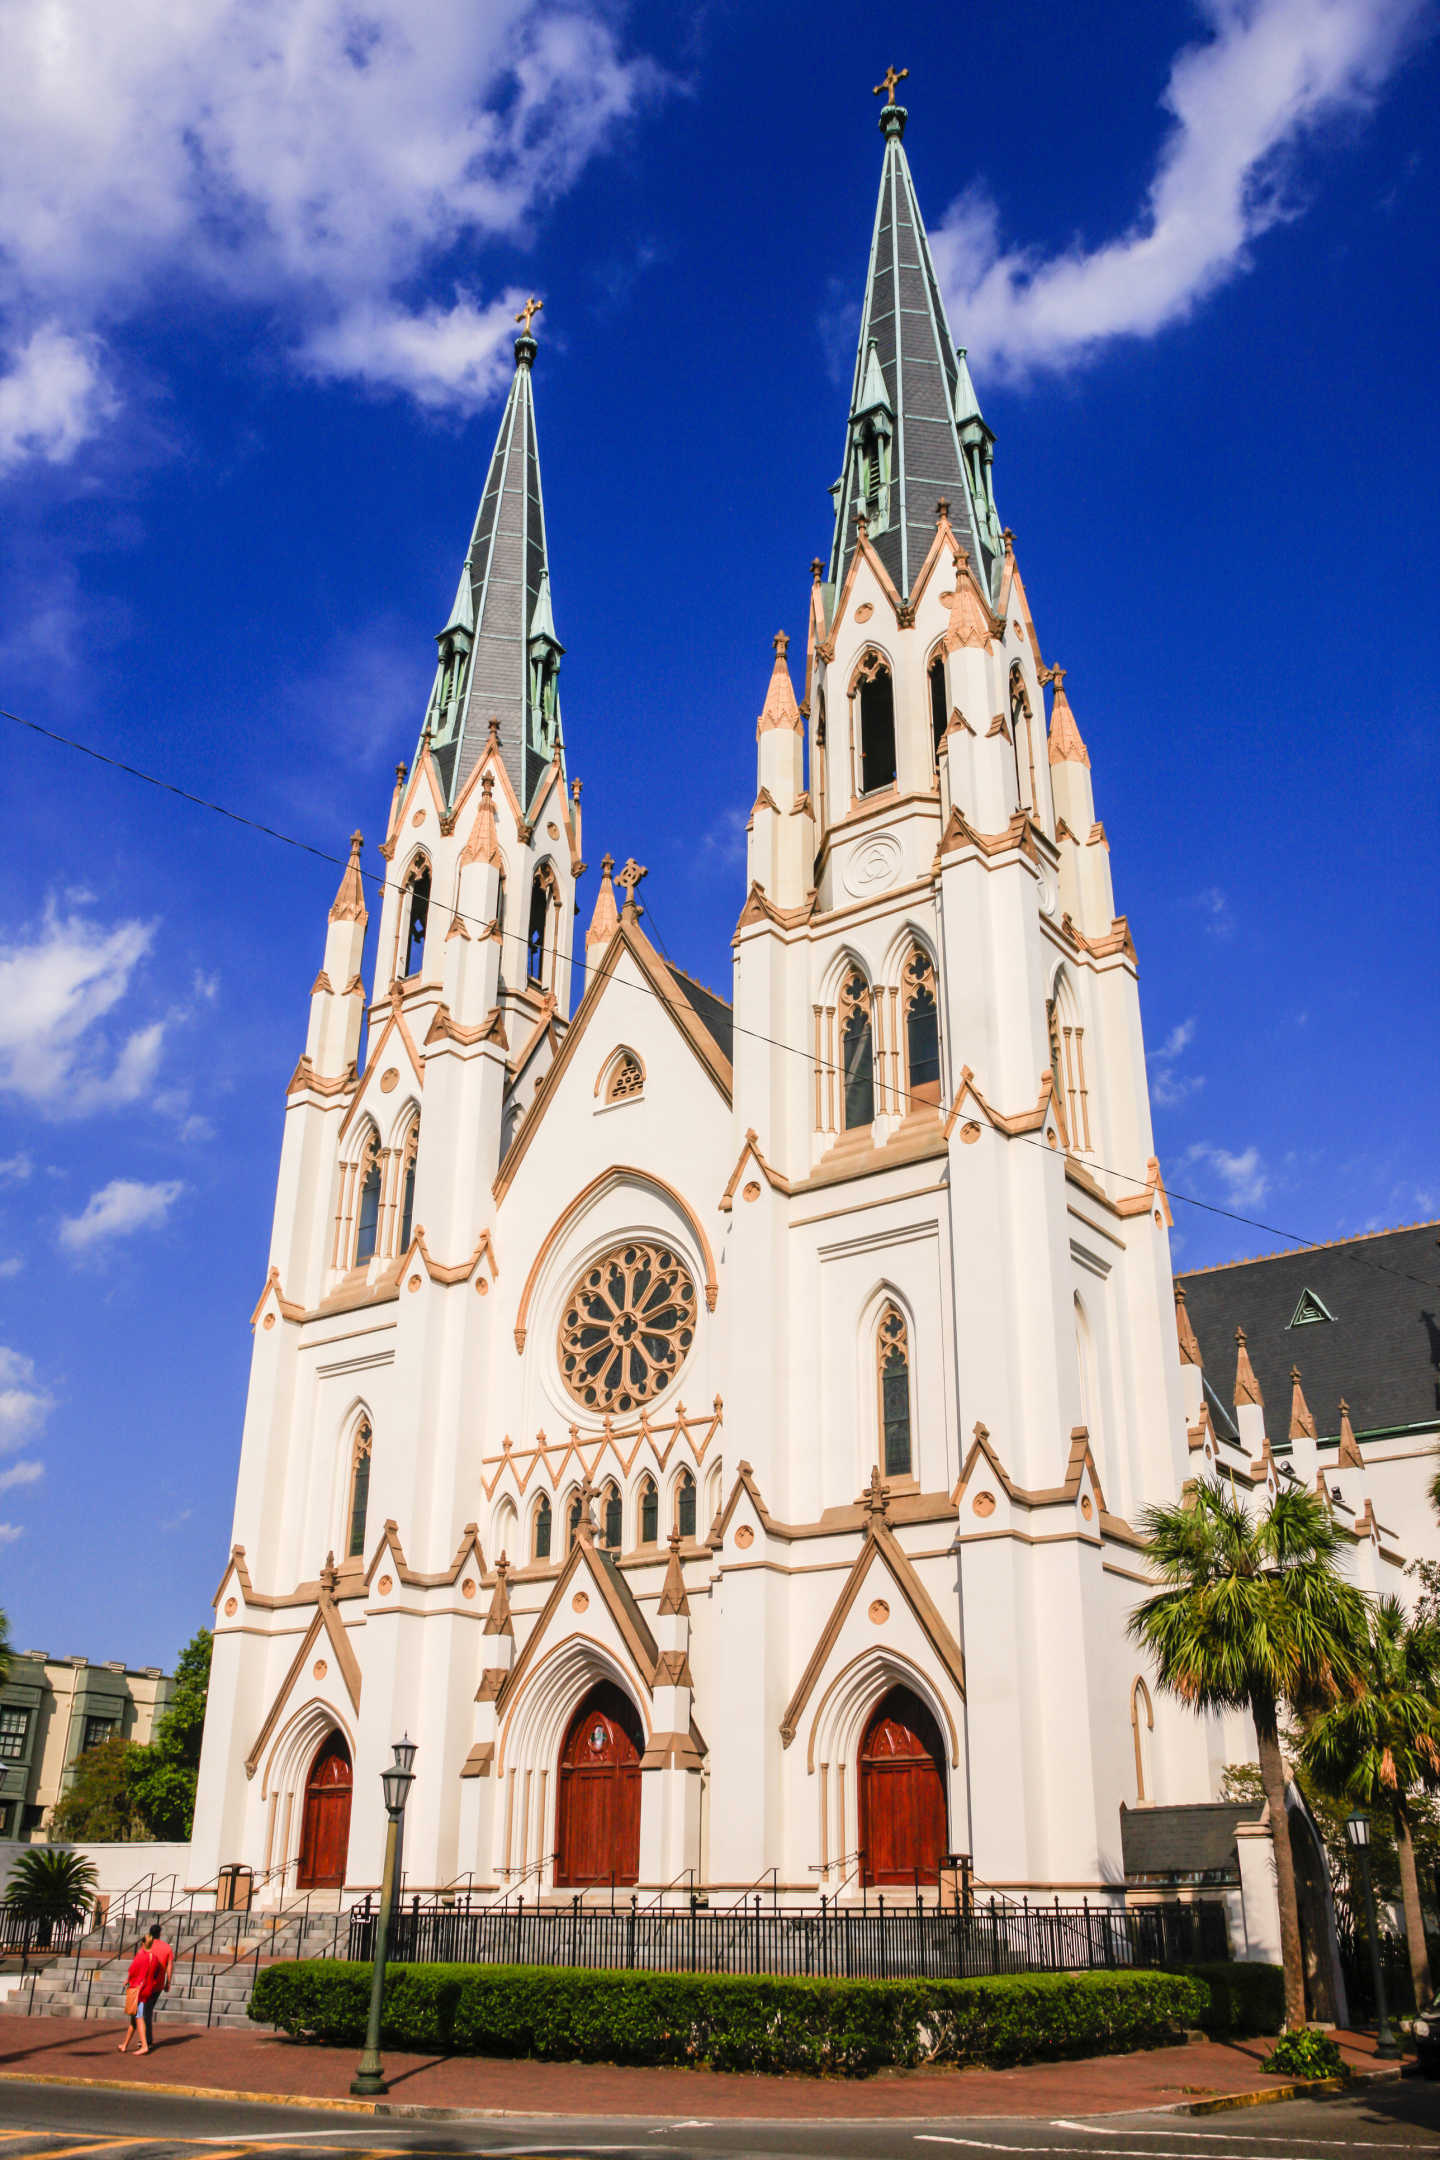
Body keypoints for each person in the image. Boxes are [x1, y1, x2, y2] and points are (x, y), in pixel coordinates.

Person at [118, 1933, 158, 2055]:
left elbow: (133, 1971)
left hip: (138, 1990)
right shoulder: (154, 1958)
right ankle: (124, 2044)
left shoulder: (141, 1956)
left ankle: (144, 2045)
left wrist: (128, 1980)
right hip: (147, 1989)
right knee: (134, 2019)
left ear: (142, 1943)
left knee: (139, 2018)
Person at [145, 1925, 174, 2047]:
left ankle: (147, 2039)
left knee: (144, 2012)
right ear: (160, 1934)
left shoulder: (147, 1945)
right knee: (148, 2010)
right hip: (158, 1983)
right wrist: (168, 1982)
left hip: (146, 1982)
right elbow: (169, 1966)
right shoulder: (167, 1947)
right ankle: (146, 2038)